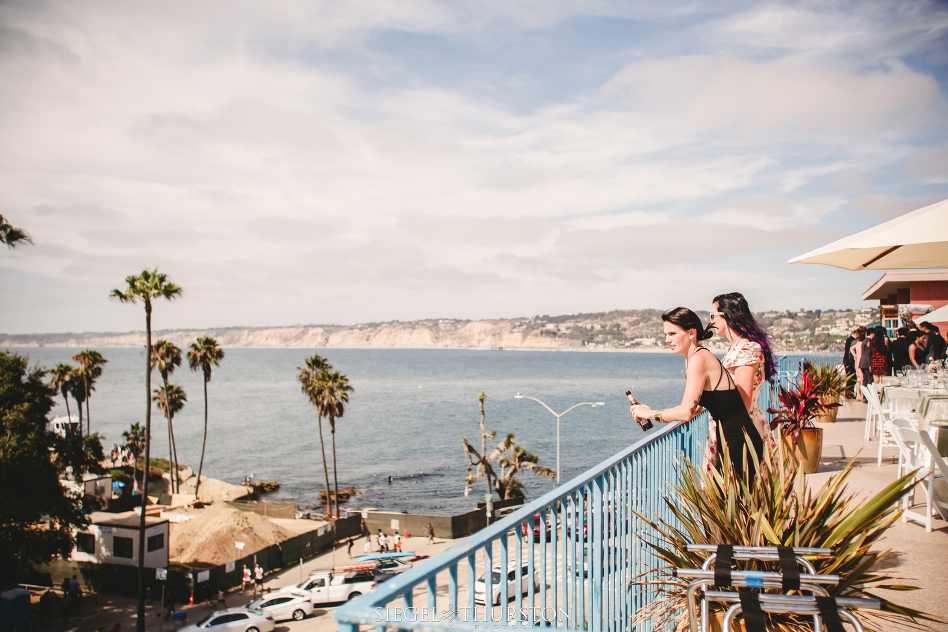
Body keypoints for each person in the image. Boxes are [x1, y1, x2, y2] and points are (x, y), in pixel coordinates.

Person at [631, 307, 764, 483]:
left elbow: (685, 413)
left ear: (691, 333)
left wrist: (650, 414)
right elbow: (695, 407)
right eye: (666, 334)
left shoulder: (698, 359)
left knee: (734, 505)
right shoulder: (693, 357)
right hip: (732, 437)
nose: (667, 340)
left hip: (739, 440)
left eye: (672, 334)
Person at [706, 293, 776, 473]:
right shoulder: (738, 349)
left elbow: (743, 400)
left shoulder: (746, 350)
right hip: (736, 426)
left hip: (739, 431)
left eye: (713, 315)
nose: (710, 320)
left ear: (727, 316)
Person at [853, 326, 872, 397]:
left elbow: (852, 349)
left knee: (859, 378)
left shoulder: (858, 343)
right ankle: (862, 395)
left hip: (858, 360)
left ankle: (858, 394)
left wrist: (855, 355)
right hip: (863, 360)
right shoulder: (864, 342)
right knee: (863, 378)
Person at [842, 328, 858, 398]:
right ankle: (849, 393)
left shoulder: (849, 339)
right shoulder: (852, 340)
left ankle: (849, 393)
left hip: (847, 360)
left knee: (850, 377)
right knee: (851, 377)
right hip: (849, 361)